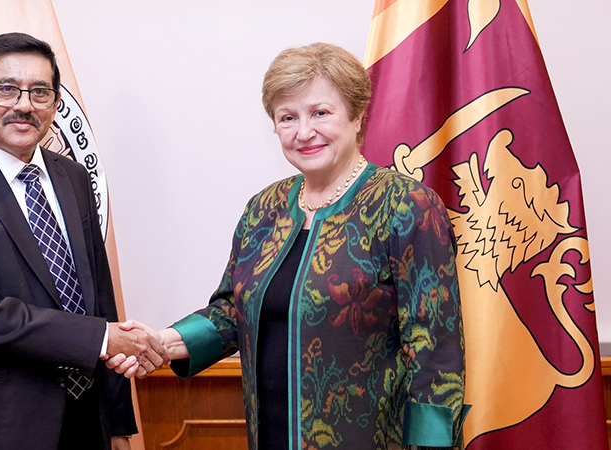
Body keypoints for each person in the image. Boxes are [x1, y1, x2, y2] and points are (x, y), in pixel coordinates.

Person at [108, 43, 467, 450]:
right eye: (287, 117)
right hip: (268, 436)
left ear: (357, 115)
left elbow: (435, 352)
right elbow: (232, 311)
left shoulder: (406, 206)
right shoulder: (265, 208)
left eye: (320, 113)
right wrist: (162, 341)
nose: (303, 132)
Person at [0, 32, 166, 450]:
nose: (24, 105)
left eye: (39, 92)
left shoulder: (73, 179)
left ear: (55, 102)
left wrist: (118, 423)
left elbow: (99, 298)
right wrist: (100, 339)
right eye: (7, 89)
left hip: (85, 423)